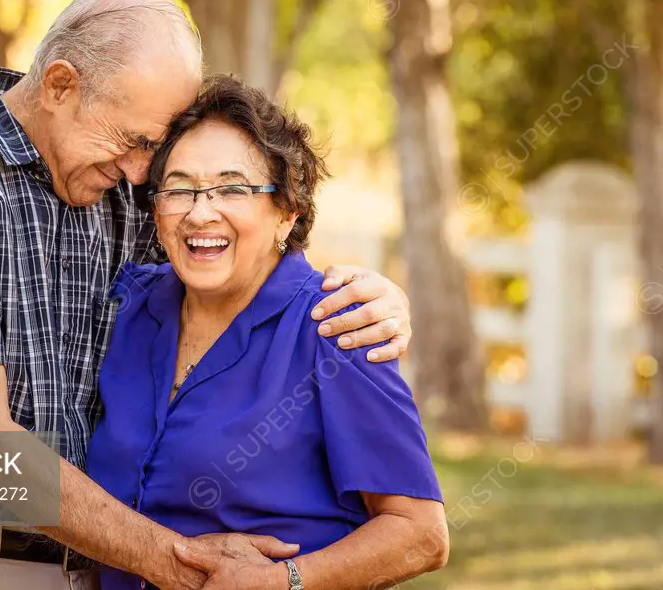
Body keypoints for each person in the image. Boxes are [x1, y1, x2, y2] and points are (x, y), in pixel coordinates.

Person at [0, 0, 416, 590]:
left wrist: (368, 298)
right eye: (136, 141)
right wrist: (189, 567)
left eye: (156, 149)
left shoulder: (112, 183)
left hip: (91, 567)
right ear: (60, 85)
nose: (144, 173)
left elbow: (232, 254)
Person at [87, 75, 448, 590]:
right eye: (180, 188)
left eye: (233, 188)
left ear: (287, 211)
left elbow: (421, 534)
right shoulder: (128, 305)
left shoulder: (337, 325)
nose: (200, 211)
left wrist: (287, 581)